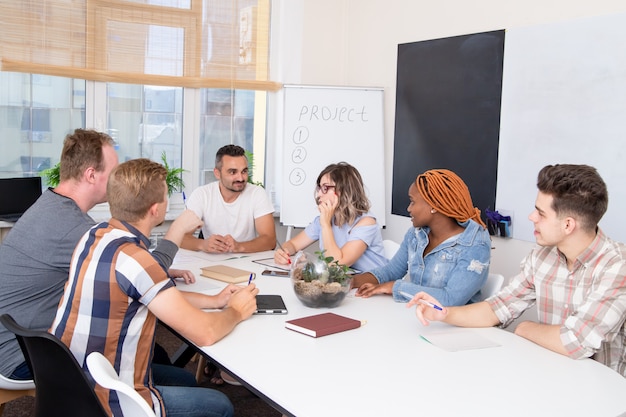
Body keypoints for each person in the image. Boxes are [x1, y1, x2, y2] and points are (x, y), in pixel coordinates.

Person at [50, 158, 259, 417]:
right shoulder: (137, 259)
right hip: (106, 397)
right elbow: (206, 332)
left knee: (184, 380)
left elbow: (151, 295)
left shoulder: (95, 236)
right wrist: (237, 311)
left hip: (70, 380)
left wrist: (215, 301)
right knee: (221, 405)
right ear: (155, 209)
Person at [0, 129, 191, 380]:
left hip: (21, 339)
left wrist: (155, 266)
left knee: (155, 354)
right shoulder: (72, 227)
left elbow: (127, 266)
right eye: (114, 173)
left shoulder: (51, 206)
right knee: (151, 354)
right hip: (27, 355)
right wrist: (176, 232)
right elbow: (139, 273)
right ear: (91, 174)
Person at [409, 164, 626, 377]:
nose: (532, 217)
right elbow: (498, 308)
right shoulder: (543, 255)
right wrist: (444, 313)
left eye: (541, 213)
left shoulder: (617, 265)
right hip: (552, 374)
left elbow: (576, 342)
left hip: (603, 389)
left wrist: (524, 327)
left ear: (568, 225)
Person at [353, 168, 491, 306]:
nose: (408, 209)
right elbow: (390, 272)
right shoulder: (415, 235)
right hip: (419, 316)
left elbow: (451, 299)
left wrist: (395, 287)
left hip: (454, 324)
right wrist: (349, 282)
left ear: (434, 205)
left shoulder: (476, 244)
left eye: (412, 202)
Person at [274, 162, 388, 272]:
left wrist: (326, 225)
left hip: (372, 286)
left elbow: (337, 265)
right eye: (319, 188)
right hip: (344, 283)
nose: (319, 195)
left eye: (325, 188)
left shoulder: (366, 222)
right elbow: (293, 244)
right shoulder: (323, 220)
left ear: (344, 190)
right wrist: (284, 253)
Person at [181, 144, 276, 253]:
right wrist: (203, 244)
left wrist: (239, 247)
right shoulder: (202, 195)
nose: (240, 178)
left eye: (244, 171)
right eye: (232, 172)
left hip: (246, 262)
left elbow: (270, 240)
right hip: (211, 262)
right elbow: (180, 237)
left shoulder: (257, 193)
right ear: (217, 173)